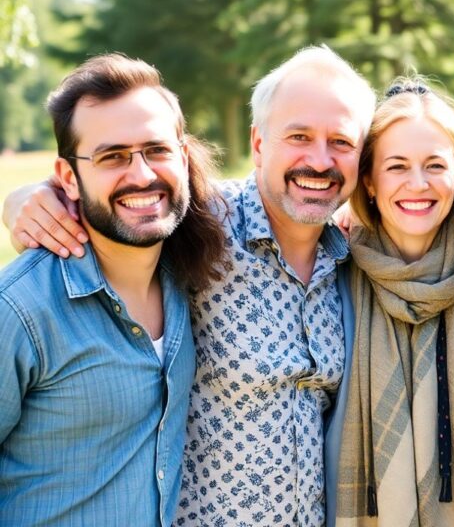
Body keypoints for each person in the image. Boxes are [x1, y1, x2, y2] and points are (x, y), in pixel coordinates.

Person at [2, 45, 377, 526]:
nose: (319, 160)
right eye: (299, 135)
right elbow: (131, 194)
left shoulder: (353, 257)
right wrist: (28, 199)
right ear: (259, 144)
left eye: (341, 142)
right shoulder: (204, 227)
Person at [0, 53, 226, 526]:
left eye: (157, 150)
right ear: (68, 177)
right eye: (113, 156)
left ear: (183, 158)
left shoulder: (186, 278)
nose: (142, 175)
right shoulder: (20, 311)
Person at [328, 78, 454, 526]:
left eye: (435, 165)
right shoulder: (329, 271)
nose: (418, 184)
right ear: (370, 182)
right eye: (397, 166)